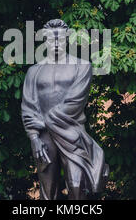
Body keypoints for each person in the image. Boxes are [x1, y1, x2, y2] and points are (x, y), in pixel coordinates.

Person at [21, 19, 109, 200]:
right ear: (44, 41)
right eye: (51, 40)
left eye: (59, 40)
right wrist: (34, 137)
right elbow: (28, 106)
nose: (55, 44)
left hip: (71, 133)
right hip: (43, 138)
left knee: (76, 185)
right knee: (47, 190)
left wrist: (43, 121)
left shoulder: (82, 66)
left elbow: (74, 102)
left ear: (67, 39)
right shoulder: (34, 71)